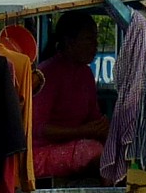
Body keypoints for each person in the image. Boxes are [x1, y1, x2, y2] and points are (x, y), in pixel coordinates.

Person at [32, 10, 108, 182]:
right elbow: (38, 129)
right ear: (69, 42)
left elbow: (93, 119)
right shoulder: (46, 73)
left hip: (77, 144)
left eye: (96, 39)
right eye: (89, 39)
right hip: (40, 152)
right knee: (93, 151)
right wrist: (82, 131)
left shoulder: (86, 74)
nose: (95, 45)